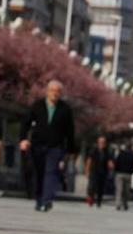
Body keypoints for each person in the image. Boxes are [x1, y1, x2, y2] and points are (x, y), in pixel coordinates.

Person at [19, 80, 76, 212]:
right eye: (52, 90)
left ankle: (46, 200)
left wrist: (71, 150)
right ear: (47, 91)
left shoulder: (65, 109)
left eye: (58, 91)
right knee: (39, 173)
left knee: (51, 173)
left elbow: (70, 131)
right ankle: (39, 199)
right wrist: (23, 139)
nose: (55, 94)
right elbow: (25, 123)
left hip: (56, 147)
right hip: (38, 145)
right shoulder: (37, 105)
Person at [86, 136, 114, 208]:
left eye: (103, 142)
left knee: (100, 187)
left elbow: (110, 160)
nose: (102, 144)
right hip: (94, 171)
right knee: (91, 186)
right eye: (101, 142)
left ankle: (99, 201)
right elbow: (89, 161)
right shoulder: (93, 150)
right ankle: (90, 198)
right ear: (98, 143)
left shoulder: (107, 151)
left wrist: (111, 165)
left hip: (103, 172)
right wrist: (87, 171)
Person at [113, 143, 133, 211]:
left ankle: (118, 204)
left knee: (119, 190)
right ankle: (125, 204)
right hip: (128, 174)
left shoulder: (120, 154)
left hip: (120, 173)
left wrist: (116, 170)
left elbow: (116, 162)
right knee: (126, 191)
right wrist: (131, 172)